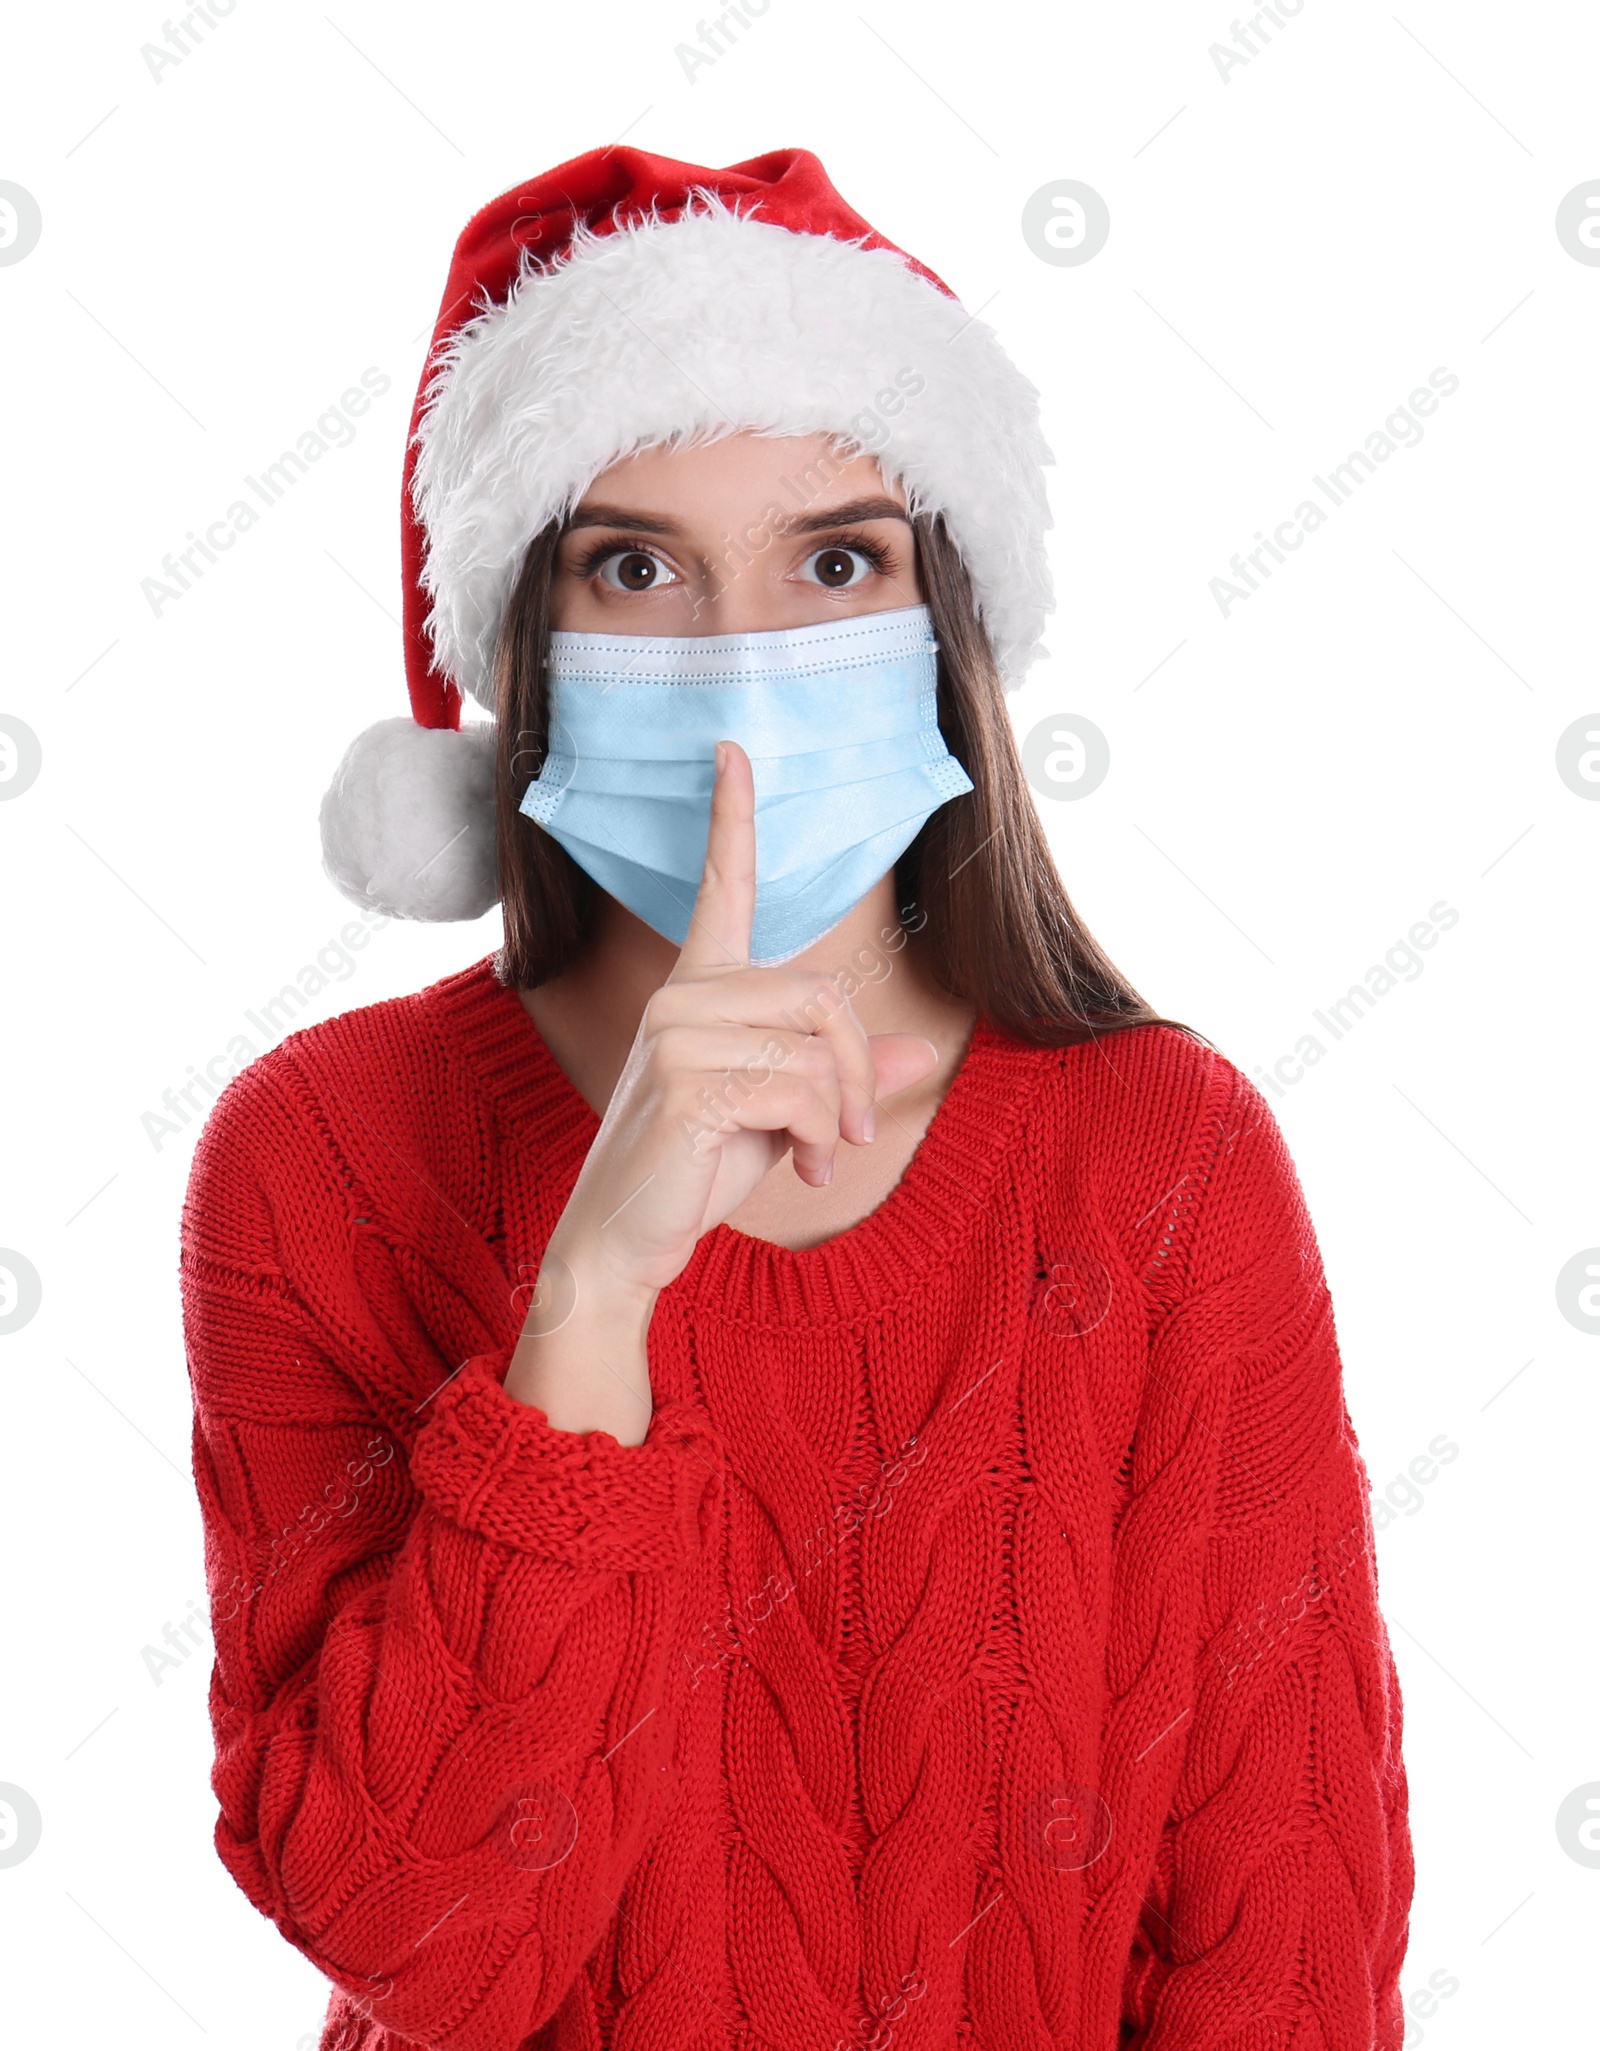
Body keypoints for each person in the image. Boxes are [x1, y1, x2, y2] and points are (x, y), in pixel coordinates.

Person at [181, 147, 1413, 2051]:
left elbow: (1286, 1949)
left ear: (943, 631)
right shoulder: (324, 1160)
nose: (745, 657)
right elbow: (418, 1939)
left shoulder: (1167, 1165)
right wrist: (590, 1307)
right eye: (637, 565)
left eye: (835, 559)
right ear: (530, 646)